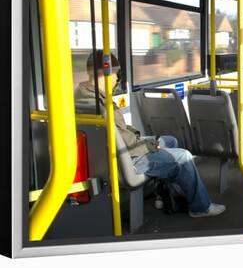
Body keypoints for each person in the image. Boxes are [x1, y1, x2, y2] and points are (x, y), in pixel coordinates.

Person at [74, 50, 226, 218]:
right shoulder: (102, 106)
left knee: (170, 140)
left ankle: (164, 194)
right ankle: (200, 207)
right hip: (124, 160)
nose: (117, 79)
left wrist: (149, 141)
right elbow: (125, 142)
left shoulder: (83, 96)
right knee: (184, 157)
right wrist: (151, 145)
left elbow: (120, 131)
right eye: (117, 74)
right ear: (108, 74)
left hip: (108, 156)